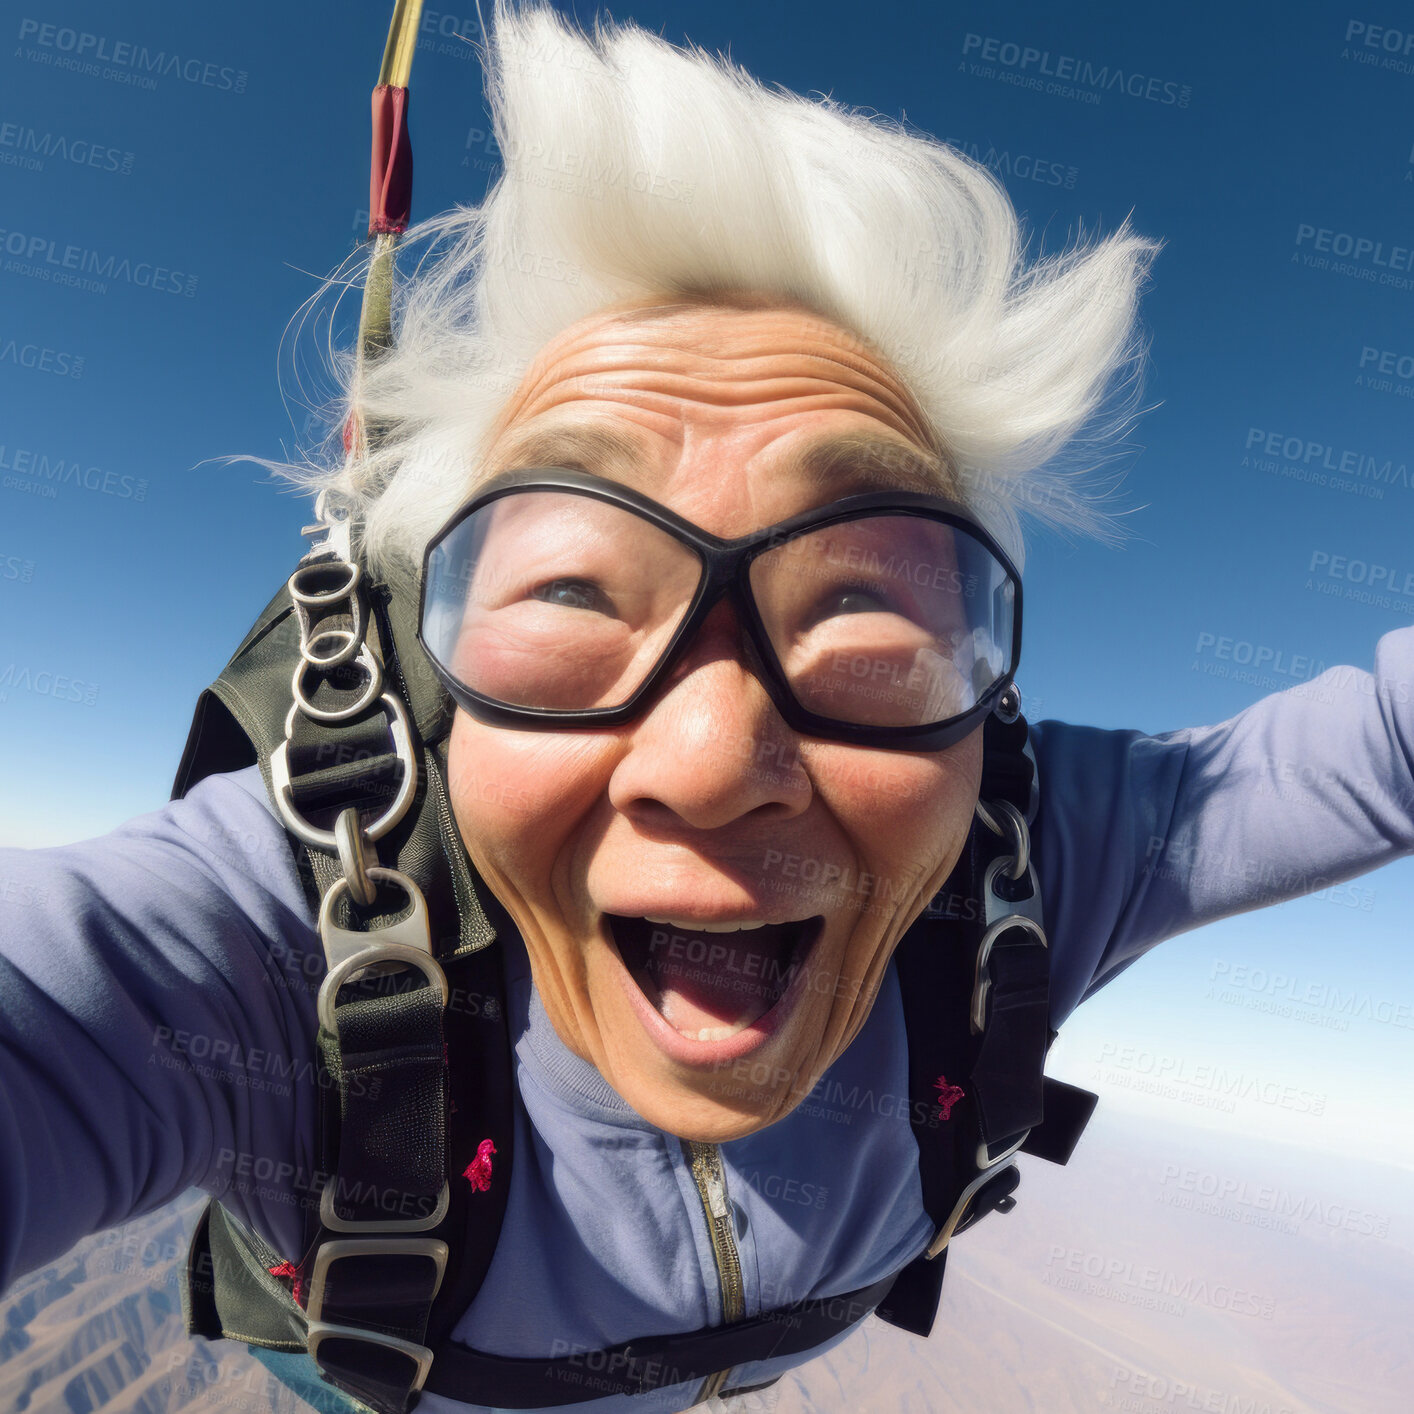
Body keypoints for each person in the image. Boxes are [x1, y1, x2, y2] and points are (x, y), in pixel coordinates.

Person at [2, 3, 1411, 1412]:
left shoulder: (1014, 850)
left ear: (979, 687)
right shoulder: (281, 941)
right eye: (571, 596)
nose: (713, 756)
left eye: (861, 604)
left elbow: (1380, 748)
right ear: (439, 681)